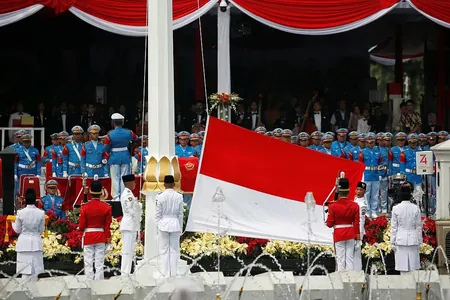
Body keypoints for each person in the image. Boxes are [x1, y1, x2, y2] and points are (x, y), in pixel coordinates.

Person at [78, 180, 112, 280]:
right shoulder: (107, 207)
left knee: (88, 262)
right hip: (101, 236)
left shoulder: (85, 207)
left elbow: (82, 225)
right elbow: (107, 226)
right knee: (99, 263)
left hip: (88, 236)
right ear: (101, 192)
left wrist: (80, 230)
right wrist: (108, 239)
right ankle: (99, 282)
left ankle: (89, 281)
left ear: (90, 192)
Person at [326, 178, 360, 271]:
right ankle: (350, 282)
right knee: (350, 260)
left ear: (338, 191)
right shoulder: (355, 206)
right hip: (350, 233)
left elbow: (329, 224)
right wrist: (358, 237)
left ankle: (341, 282)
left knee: (340, 261)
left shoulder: (332, 206)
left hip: (339, 234)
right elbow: (356, 223)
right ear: (348, 191)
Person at [12, 188, 45, 282]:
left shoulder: (20, 213)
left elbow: (17, 230)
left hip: (23, 243)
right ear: (35, 199)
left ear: (25, 199)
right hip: (36, 242)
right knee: (35, 272)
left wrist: (12, 223)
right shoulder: (41, 213)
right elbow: (41, 230)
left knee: (24, 272)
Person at [104, 113, 139, 201]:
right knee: (124, 178)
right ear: (122, 122)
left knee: (115, 178)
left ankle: (116, 198)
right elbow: (136, 138)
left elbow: (107, 148)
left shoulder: (110, 134)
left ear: (113, 123)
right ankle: (124, 197)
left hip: (114, 157)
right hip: (125, 156)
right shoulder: (128, 132)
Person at [155, 175, 184, 277]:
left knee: (164, 250)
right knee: (174, 249)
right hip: (175, 223)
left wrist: (159, 226)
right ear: (174, 184)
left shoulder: (160, 196)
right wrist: (180, 228)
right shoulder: (179, 196)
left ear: (164, 184)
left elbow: (157, 215)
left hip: (163, 224)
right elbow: (180, 214)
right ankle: (173, 273)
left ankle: (166, 273)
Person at [390, 184, 422, 274]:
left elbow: (394, 227)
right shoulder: (416, 208)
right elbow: (418, 227)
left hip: (400, 239)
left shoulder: (396, 208)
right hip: (413, 239)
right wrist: (420, 241)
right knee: (414, 269)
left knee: (402, 269)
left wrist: (392, 241)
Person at [119, 174, 143, 276]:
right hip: (129, 224)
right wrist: (139, 206)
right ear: (128, 183)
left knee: (130, 250)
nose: (134, 184)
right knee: (127, 250)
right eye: (133, 182)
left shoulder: (129, 194)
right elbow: (132, 210)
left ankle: (127, 271)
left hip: (130, 224)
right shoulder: (128, 195)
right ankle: (125, 273)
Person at [360, 133, 381, 218]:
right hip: (367, 174)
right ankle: (367, 211)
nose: (370, 144)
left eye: (372, 142)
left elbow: (380, 164)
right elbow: (360, 164)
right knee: (366, 194)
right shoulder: (363, 152)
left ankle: (373, 210)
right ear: (366, 142)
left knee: (375, 194)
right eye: (368, 142)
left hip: (375, 175)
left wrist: (380, 174)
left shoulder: (378, 152)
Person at [353, 182, 368, 271]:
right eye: (357, 189)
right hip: (352, 230)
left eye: (361, 190)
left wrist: (359, 237)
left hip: (357, 232)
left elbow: (361, 221)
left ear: (364, 191)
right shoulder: (355, 200)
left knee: (357, 255)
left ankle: (358, 271)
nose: (358, 191)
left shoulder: (362, 204)